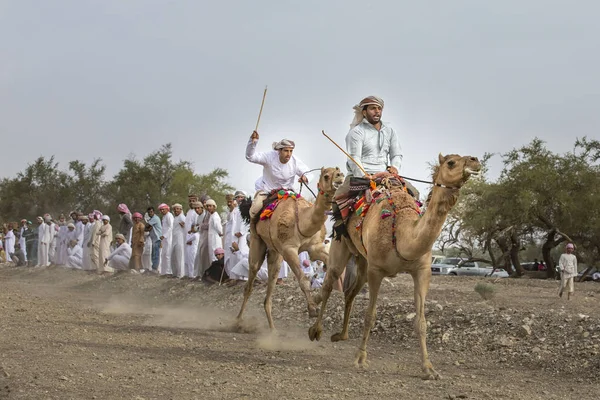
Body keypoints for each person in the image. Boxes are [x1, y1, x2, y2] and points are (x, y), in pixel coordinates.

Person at [245, 131, 310, 218]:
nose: (289, 154)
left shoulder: (295, 161)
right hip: (267, 191)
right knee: (254, 210)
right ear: (279, 151)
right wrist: (252, 143)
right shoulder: (269, 157)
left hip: (288, 192)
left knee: (305, 208)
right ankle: (253, 230)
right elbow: (250, 157)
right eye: (286, 151)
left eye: (291, 151)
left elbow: (307, 173)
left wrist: (305, 178)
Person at [195, 199, 222, 278]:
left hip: (215, 239)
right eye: (207, 206)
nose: (209, 208)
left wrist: (220, 232)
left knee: (215, 257)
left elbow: (219, 228)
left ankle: (217, 276)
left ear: (214, 207)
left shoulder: (215, 215)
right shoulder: (211, 215)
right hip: (211, 239)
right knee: (211, 257)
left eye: (210, 206)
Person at [186, 201, 202, 278]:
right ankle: (190, 275)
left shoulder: (196, 234)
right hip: (190, 247)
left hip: (194, 248)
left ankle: (193, 275)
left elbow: (194, 236)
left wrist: (188, 240)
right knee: (189, 261)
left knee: (193, 261)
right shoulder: (189, 212)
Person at [157, 203, 174, 276]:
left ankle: (169, 272)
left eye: (163, 209)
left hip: (169, 238)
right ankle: (163, 272)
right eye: (160, 210)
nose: (162, 211)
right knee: (163, 255)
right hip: (164, 239)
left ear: (167, 209)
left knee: (168, 255)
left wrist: (164, 235)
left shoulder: (169, 215)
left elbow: (171, 227)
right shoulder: (164, 217)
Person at [171, 203, 186, 278]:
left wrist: (184, 225)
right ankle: (175, 273)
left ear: (180, 209)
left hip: (180, 239)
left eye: (177, 209)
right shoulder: (175, 218)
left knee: (179, 256)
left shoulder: (182, 217)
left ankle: (180, 274)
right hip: (174, 239)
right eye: (174, 209)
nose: (176, 210)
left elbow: (186, 226)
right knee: (174, 256)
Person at [146, 207, 162, 271]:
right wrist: (148, 228)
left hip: (157, 238)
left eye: (151, 212)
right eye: (149, 212)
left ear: (154, 212)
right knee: (153, 254)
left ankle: (155, 269)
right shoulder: (151, 219)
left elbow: (146, 226)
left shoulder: (155, 218)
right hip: (153, 239)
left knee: (156, 254)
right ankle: (154, 268)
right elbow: (147, 228)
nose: (150, 213)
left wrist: (147, 227)